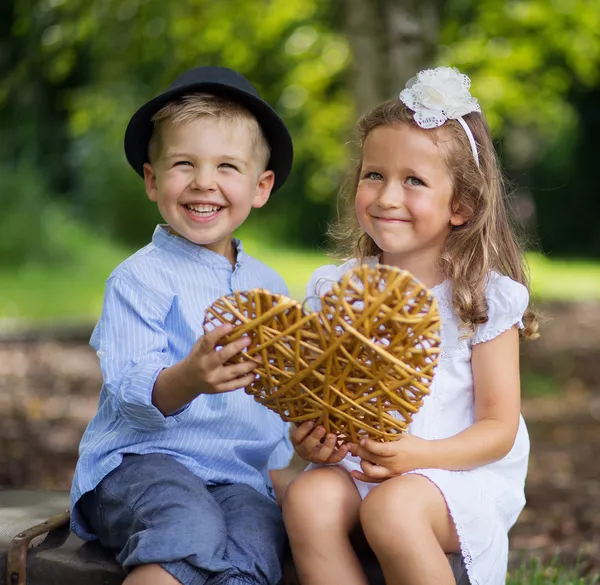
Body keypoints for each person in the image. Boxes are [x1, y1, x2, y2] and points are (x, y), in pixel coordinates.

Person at [282, 66, 539, 585]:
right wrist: (308, 438)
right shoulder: (341, 290)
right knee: (306, 496)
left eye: (414, 181)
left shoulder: (481, 299)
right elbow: (325, 395)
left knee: (392, 509)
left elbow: (498, 429)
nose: (387, 197)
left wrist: (419, 456)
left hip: (453, 471)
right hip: (363, 468)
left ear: (461, 206)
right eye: (374, 175)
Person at [70, 66, 295, 585]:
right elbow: (129, 389)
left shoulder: (271, 287)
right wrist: (188, 378)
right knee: (186, 527)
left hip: (238, 477)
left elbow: (279, 400)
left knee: (257, 545)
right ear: (153, 180)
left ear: (261, 187)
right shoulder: (139, 278)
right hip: (142, 465)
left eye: (227, 167)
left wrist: (296, 445)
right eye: (183, 164)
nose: (204, 181)